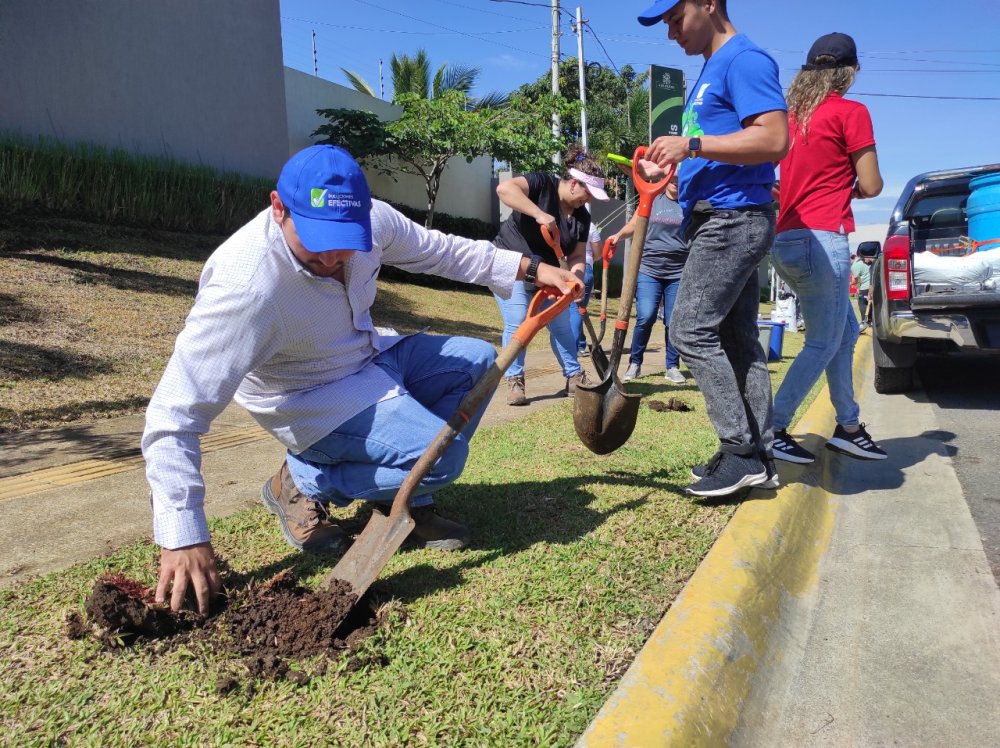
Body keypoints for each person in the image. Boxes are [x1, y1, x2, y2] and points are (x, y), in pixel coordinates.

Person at [141, 145, 579, 614]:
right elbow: (174, 415)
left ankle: (409, 498)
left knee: (474, 361)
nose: (333, 257)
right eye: (316, 239)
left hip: (368, 356)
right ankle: (303, 478)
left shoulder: (373, 221)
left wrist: (531, 268)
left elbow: (440, 251)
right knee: (445, 455)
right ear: (278, 207)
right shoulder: (245, 287)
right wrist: (182, 534)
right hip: (311, 401)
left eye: (344, 238)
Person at [637, 0, 789, 497]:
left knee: (688, 330)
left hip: (733, 220)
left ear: (709, 4)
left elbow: (774, 138)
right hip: (720, 212)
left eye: (676, 19)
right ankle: (756, 454)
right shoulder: (710, 69)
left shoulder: (744, 60)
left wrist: (693, 148)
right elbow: (732, 145)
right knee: (737, 340)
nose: (671, 34)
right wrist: (686, 178)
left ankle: (741, 451)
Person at [769, 32, 887, 464]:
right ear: (850, 71)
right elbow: (872, 184)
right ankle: (773, 426)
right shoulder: (850, 112)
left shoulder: (787, 117)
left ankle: (849, 426)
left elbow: (777, 183)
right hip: (824, 238)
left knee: (845, 332)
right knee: (823, 340)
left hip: (786, 238)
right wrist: (846, 189)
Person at [494, 143, 610, 405]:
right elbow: (505, 189)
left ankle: (573, 376)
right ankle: (515, 380)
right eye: (587, 193)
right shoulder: (541, 183)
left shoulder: (581, 217)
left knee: (562, 326)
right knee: (518, 321)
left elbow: (578, 255)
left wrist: (576, 275)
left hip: (547, 276)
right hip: (511, 267)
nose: (588, 200)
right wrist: (538, 213)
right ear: (573, 184)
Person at [611, 174, 689, 384]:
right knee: (646, 315)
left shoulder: (689, 202)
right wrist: (617, 236)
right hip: (649, 269)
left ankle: (672, 366)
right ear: (666, 179)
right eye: (673, 177)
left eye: (680, 177)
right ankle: (635, 363)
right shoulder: (653, 199)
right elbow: (635, 225)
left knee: (674, 321)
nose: (676, 181)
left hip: (678, 271)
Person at [570, 220, 601, 357]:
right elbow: (598, 252)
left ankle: (574, 346)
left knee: (574, 311)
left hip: (564, 268)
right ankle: (579, 344)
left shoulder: (558, 220)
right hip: (585, 268)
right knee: (578, 310)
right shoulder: (590, 225)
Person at [851, 250, 874, 330]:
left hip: (865, 287)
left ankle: (865, 321)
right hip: (871, 285)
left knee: (862, 303)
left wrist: (850, 284)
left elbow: (856, 280)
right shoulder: (864, 262)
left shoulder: (854, 266)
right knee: (870, 303)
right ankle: (870, 321)